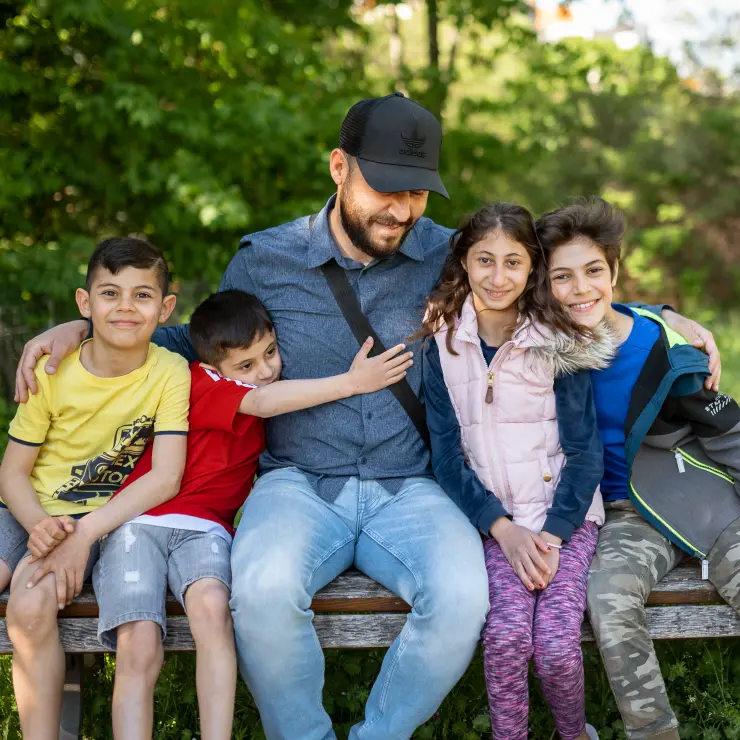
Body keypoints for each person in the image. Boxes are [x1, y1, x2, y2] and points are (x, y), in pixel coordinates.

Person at [11, 95, 723, 739]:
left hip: (413, 484)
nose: (400, 207)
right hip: (296, 481)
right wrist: (75, 331)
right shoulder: (266, 259)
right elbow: (197, 340)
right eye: (385, 186)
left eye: (415, 191)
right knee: (257, 591)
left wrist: (659, 317)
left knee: (460, 597)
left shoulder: (449, 255)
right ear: (338, 167)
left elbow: (550, 283)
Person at [92, 288, 412, 740]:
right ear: (212, 368)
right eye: (246, 366)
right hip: (139, 522)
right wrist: (352, 382)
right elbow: (263, 401)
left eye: (271, 353)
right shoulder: (197, 381)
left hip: (206, 531)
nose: (265, 371)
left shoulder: (253, 386)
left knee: (213, 614)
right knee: (139, 641)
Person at [539, 198, 740, 740]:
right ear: (543, 284)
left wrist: (665, 317)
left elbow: (726, 430)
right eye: (562, 276)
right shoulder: (539, 346)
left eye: (594, 271)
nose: (581, 289)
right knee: (606, 596)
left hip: (701, 500)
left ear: (615, 272)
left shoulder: (661, 343)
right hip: (623, 516)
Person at [420, 202, 607, 740]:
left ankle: (574, 733)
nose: (497, 277)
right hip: (494, 525)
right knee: (504, 639)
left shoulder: (560, 341)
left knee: (553, 646)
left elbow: (585, 452)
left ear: (532, 269)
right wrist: (501, 528)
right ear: (463, 261)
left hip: (564, 522)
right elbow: (447, 458)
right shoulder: (443, 344)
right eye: (484, 260)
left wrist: (551, 535)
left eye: (513, 262)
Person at [0, 237, 191, 739]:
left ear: (166, 308)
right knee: (25, 605)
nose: (125, 307)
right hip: (30, 511)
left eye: (142, 296)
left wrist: (79, 536)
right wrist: (40, 528)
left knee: (31, 600)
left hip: (110, 521)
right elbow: (13, 472)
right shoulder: (54, 372)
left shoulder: (170, 372)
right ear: (85, 305)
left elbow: (166, 476)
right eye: (110, 293)